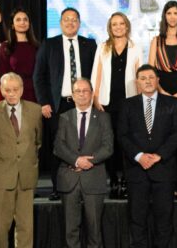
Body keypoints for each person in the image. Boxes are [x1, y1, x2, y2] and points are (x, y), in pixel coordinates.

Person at [117, 65, 177, 248]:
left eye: (151, 77)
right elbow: (122, 135)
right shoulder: (127, 105)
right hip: (136, 171)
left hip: (164, 169)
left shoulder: (173, 103)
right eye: (143, 78)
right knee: (137, 219)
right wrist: (139, 156)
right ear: (137, 83)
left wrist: (159, 155)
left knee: (164, 220)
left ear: (157, 80)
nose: (147, 81)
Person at [34, 7, 97, 200]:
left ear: (79, 23)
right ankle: (58, 187)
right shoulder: (49, 44)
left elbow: (97, 75)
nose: (70, 23)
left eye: (74, 19)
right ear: (60, 23)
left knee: (84, 145)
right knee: (59, 147)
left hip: (84, 103)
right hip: (58, 105)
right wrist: (44, 102)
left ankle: (83, 188)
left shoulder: (90, 44)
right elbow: (39, 76)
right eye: (66, 19)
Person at [54, 78, 113, 248]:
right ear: (72, 95)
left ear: (92, 93)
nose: (81, 94)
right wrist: (77, 160)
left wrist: (88, 162)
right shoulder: (64, 117)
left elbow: (108, 147)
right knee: (70, 230)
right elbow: (58, 146)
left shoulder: (103, 117)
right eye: (78, 91)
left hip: (93, 178)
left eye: (85, 90)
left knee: (94, 230)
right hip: (69, 179)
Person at [0, 72, 43, 248]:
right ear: (1, 90)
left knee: (26, 227)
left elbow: (38, 141)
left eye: (15, 89)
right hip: (1, 177)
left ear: (22, 90)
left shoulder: (35, 110)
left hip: (26, 175)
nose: (11, 93)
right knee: (0, 228)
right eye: (7, 90)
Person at [91, 12, 142, 199]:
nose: (118, 27)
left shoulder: (135, 47)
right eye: (114, 24)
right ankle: (113, 180)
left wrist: (139, 102)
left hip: (129, 103)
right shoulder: (102, 47)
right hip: (107, 104)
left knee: (127, 144)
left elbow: (140, 76)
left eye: (121, 23)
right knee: (109, 144)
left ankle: (126, 181)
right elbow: (96, 74)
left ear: (127, 26)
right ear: (110, 28)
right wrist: (95, 99)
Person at [148, 0, 177, 198]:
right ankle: (165, 183)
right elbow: (151, 70)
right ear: (164, 16)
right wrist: (162, 91)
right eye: (169, 13)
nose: (172, 17)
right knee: (163, 139)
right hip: (161, 92)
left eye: (176, 13)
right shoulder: (156, 40)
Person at [0, 8, 40, 103]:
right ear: (12, 25)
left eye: (25, 19)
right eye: (18, 20)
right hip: (13, 94)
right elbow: (3, 75)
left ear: (29, 24)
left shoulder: (37, 47)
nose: (22, 22)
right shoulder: (5, 47)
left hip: (35, 94)